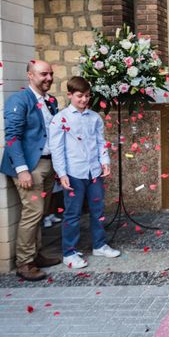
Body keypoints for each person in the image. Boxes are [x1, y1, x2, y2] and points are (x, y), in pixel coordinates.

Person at [48, 76, 120, 269]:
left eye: (87, 96)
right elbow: (57, 149)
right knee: (72, 213)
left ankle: (99, 244)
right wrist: (62, 173)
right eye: (80, 96)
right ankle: (69, 252)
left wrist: (105, 162)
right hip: (73, 172)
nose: (84, 100)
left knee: (98, 210)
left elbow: (99, 141)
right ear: (70, 95)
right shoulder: (60, 119)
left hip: (94, 172)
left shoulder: (95, 118)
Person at [0, 60, 61, 281]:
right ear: (30, 75)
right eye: (43, 74)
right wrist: (22, 169)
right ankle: (24, 263)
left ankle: (36, 254)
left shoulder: (51, 101)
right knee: (32, 212)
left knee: (41, 213)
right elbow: (12, 136)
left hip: (47, 163)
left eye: (51, 74)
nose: (48, 78)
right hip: (29, 165)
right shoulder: (19, 100)